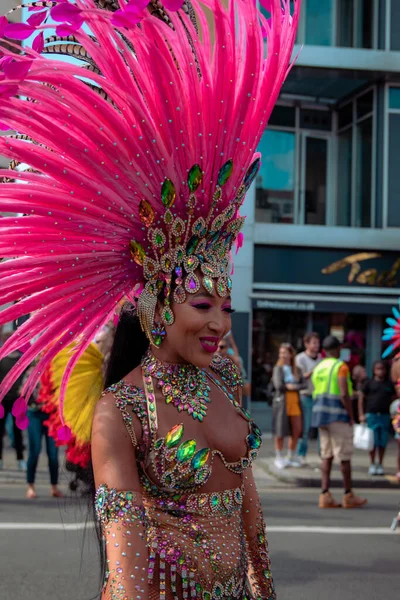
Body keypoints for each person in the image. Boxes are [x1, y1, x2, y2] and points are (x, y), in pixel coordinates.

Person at [0, 1, 301, 597]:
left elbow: (249, 517)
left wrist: (263, 589)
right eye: (202, 306)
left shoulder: (220, 387)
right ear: (156, 309)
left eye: (225, 307)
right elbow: (127, 566)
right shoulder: (122, 410)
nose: (219, 323)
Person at [312, 336, 367, 509]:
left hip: (321, 416)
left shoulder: (319, 367)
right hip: (338, 416)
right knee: (344, 457)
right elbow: (344, 393)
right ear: (338, 349)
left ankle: (325, 494)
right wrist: (351, 416)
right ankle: (348, 495)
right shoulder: (340, 366)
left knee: (326, 455)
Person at [358, 361, 395, 476]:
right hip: (372, 415)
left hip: (384, 415)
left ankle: (380, 463)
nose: (380, 371)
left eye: (382, 369)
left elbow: (394, 398)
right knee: (372, 441)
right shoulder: (369, 383)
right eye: (378, 369)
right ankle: (372, 463)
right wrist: (361, 414)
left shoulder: (389, 385)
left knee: (382, 441)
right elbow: (361, 399)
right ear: (374, 370)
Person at [272, 343, 304, 469]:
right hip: (281, 403)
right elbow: (278, 385)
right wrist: (289, 386)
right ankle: (279, 456)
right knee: (280, 430)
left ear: (291, 354)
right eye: (281, 353)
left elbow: (304, 384)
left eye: (285, 352)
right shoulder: (277, 368)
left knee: (296, 430)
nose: (283, 355)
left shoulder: (297, 369)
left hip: (295, 402)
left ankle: (291, 455)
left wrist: (293, 386)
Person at [295, 332, 321, 464]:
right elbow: (300, 377)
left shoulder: (321, 358)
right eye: (314, 343)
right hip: (305, 396)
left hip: (319, 396)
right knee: (304, 428)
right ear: (306, 344)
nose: (317, 345)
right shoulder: (300, 359)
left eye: (318, 342)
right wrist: (314, 370)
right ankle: (301, 454)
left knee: (321, 427)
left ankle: (322, 455)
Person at [0, 338, 26, 471]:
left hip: (17, 401)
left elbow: (27, 376)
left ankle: (20, 459)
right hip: (2, 401)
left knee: (17, 433)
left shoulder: (22, 360)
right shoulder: (2, 358)